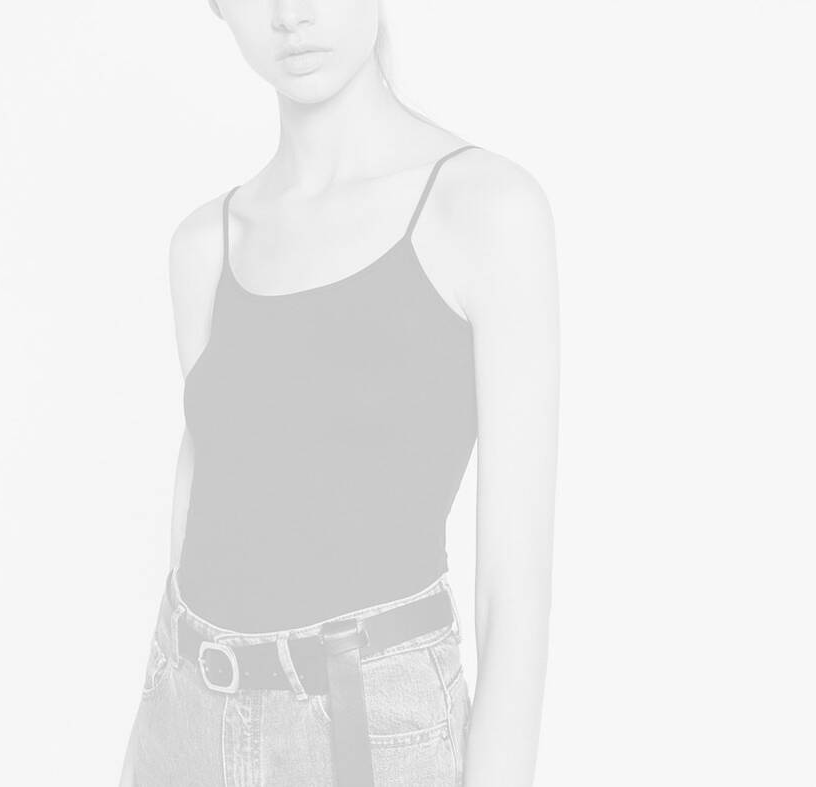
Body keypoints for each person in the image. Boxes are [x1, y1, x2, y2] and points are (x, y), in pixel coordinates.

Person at [120, 1, 559, 784]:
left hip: (373, 728)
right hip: (184, 715)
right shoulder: (205, 245)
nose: (292, 13)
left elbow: (513, 595)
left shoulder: (486, 209)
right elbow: (205, 500)